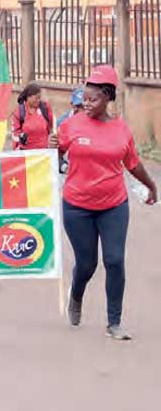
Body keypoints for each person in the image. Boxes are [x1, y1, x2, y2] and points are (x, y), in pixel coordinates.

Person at [50, 65, 157, 341]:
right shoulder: (70, 125)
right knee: (86, 264)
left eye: (93, 99)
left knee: (115, 260)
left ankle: (114, 322)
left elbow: (132, 164)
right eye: (84, 98)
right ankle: (76, 295)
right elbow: (50, 155)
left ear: (108, 97)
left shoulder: (121, 130)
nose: (86, 103)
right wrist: (51, 146)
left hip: (113, 205)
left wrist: (151, 184)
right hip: (77, 206)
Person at [11, 83, 53, 150]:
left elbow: (51, 125)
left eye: (39, 98)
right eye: (36, 98)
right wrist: (19, 141)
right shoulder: (19, 112)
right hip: (27, 154)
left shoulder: (44, 108)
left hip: (44, 152)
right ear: (28, 97)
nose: (38, 101)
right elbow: (15, 135)